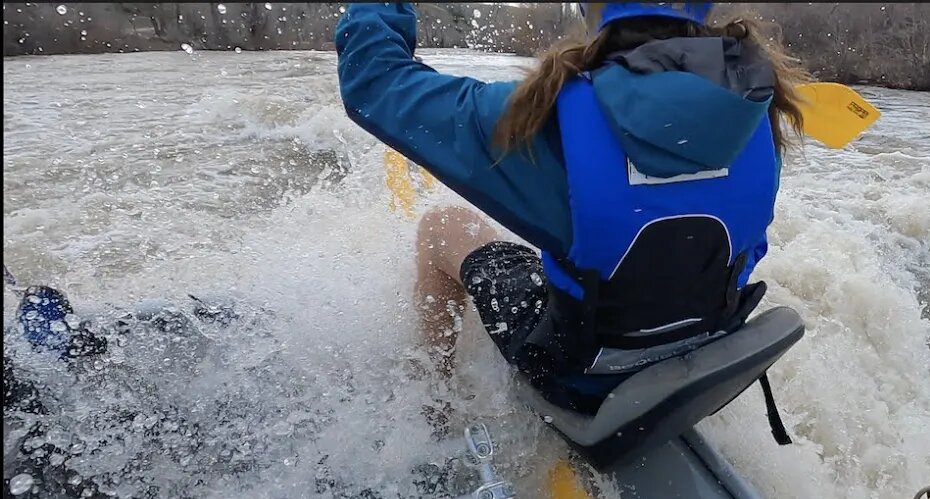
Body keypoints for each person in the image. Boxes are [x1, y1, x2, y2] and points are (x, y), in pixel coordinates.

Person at [335, 2, 809, 420]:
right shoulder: (760, 110)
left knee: (442, 227)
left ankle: (435, 412)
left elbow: (375, 83)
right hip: (702, 349)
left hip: (580, 377)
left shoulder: (546, 117)